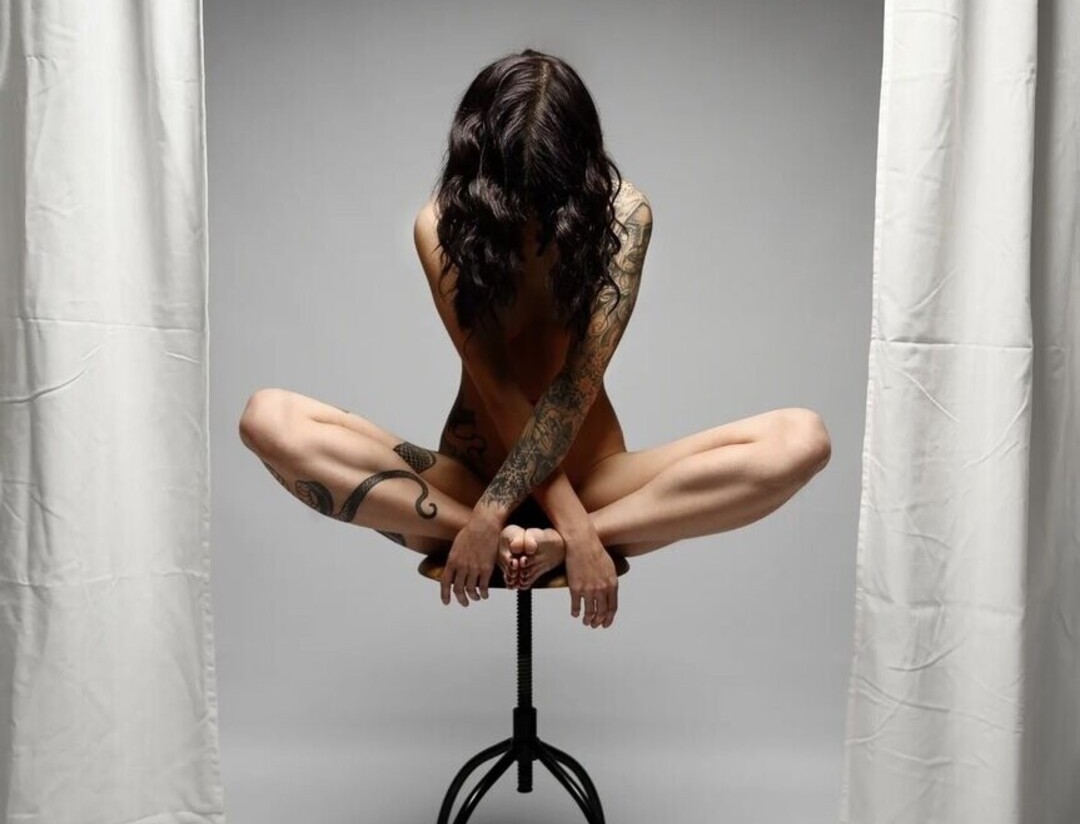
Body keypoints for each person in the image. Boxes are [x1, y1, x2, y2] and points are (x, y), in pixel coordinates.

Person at [238, 48, 831, 630]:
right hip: (467, 488)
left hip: (596, 486)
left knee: (800, 439)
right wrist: (483, 521)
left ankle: (567, 534)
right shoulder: (442, 226)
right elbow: (496, 387)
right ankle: (479, 532)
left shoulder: (624, 218)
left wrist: (578, 532)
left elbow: (574, 389)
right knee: (268, 418)